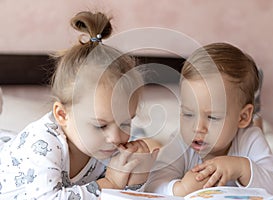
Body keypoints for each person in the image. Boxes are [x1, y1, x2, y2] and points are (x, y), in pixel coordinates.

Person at [0, 11, 158, 199]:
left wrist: (135, 176)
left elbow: (117, 196)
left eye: (125, 123)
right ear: (62, 115)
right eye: (101, 125)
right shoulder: (43, 144)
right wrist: (111, 183)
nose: (116, 137)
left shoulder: (105, 147)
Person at [144, 42, 273, 196]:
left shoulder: (249, 139)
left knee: (257, 130)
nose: (198, 127)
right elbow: (152, 185)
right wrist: (180, 188)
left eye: (212, 117)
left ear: (242, 117)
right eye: (188, 114)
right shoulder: (180, 143)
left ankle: (257, 115)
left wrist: (242, 168)